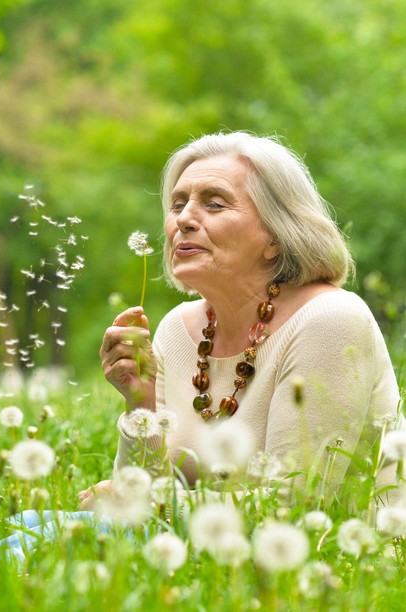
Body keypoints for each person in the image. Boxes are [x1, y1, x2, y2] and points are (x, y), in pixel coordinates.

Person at [80, 131, 401, 508]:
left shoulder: (329, 320)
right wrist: (140, 402)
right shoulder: (175, 329)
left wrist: (148, 504)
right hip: (203, 561)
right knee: (25, 532)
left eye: (214, 205)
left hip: (350, 558)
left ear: (276, 236)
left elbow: (295, 505)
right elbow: (134, 506)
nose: (183, 219)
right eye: (177, 204)